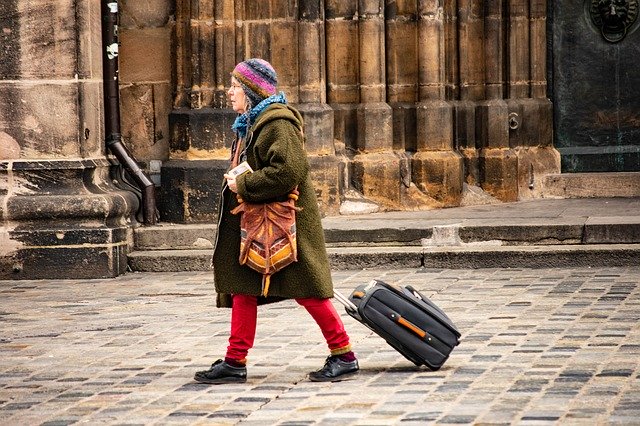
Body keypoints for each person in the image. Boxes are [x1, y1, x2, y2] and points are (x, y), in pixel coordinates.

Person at [194, 58, 359, 384]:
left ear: (252, 91)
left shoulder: (276, 123)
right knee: (243, 286)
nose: (229, 92)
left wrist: (243, 184)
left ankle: (345, 354)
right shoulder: (251, 123)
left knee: (308, 288)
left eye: (235, 86)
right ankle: (234, 361)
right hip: (260, 224)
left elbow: (288, 171)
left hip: (285, 224)